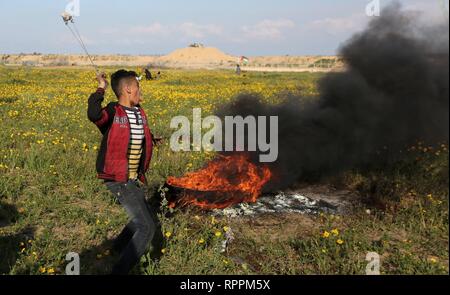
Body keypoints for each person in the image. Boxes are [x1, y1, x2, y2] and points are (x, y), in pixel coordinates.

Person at [87, 70, 163, 275]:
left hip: (131, 177)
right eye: (138, 88)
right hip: (117, 177)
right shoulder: (113, 112)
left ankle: (116, 248)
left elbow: (135, 133)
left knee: (142, 215)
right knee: (147, 227)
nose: (141, 92)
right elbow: (94, 115)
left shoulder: (139, 112)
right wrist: (101, 87)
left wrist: (151, 139)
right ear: (128, 89)